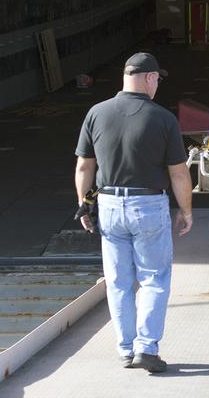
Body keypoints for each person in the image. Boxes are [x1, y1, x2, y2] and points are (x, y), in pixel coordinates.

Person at [74, 52, 193, 373]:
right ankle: (147, 348)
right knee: (154, 279)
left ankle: (126, 349)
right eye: (157, 79)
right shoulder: (162, 118)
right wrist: (186, 210)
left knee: (119, 282)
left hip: (109, 205)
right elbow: (179, 173)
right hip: (148, 206)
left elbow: (85, 165)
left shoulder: (96, 113)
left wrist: (85, 203)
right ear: (150, 78)